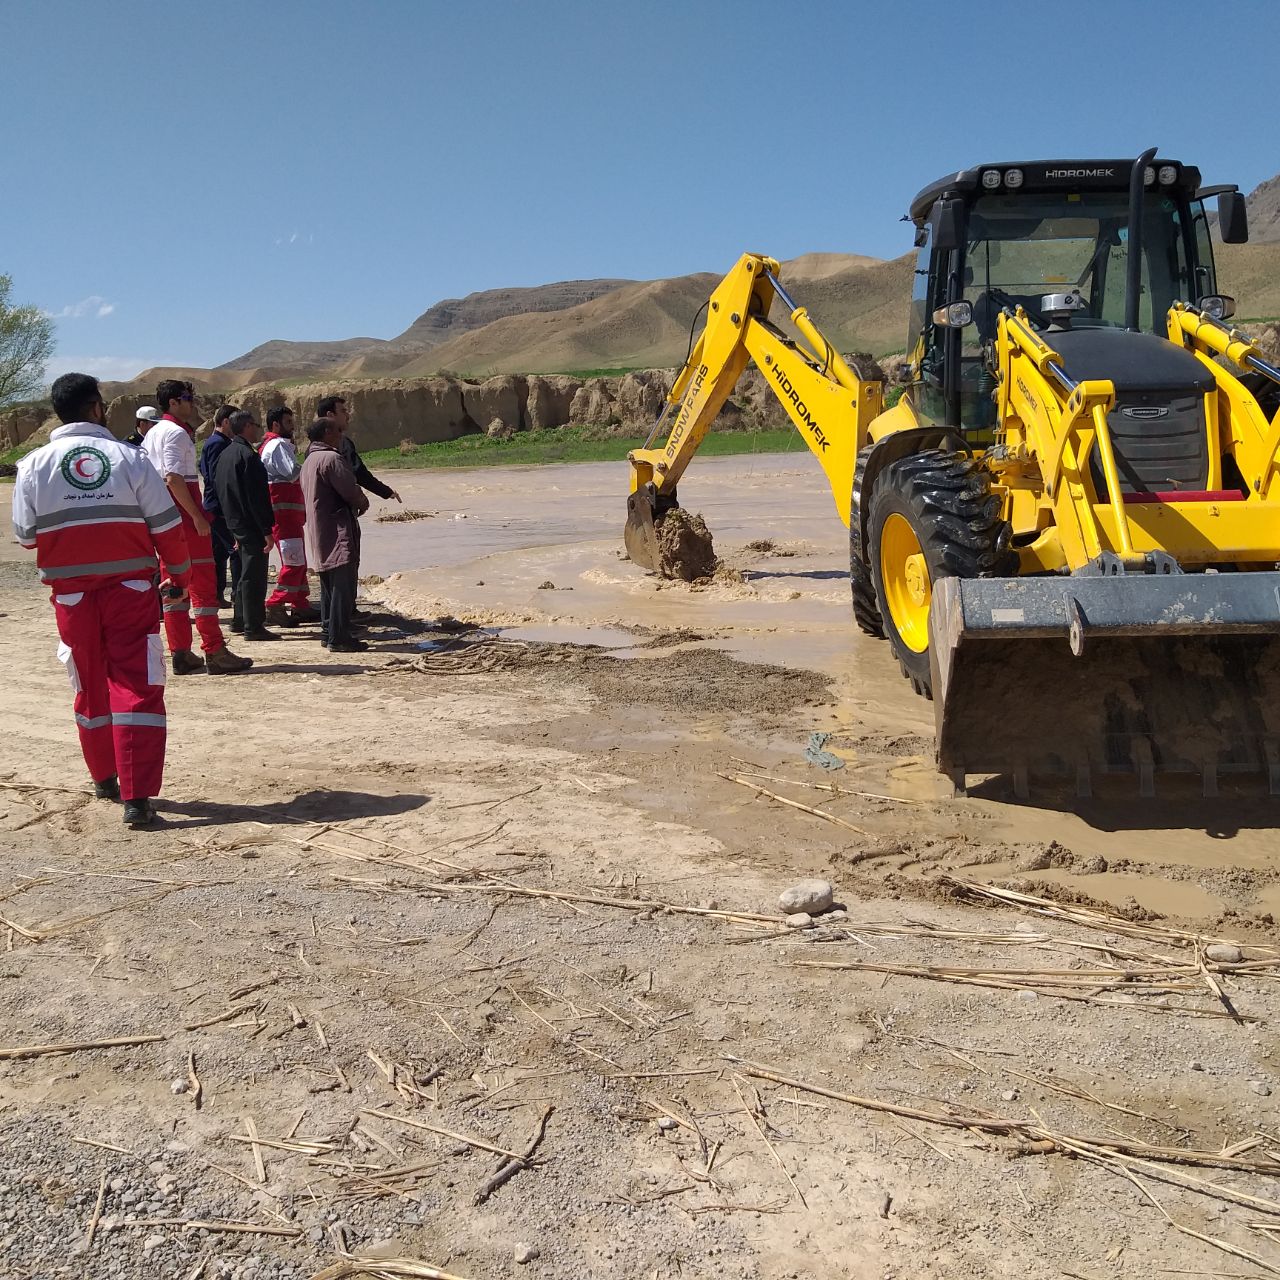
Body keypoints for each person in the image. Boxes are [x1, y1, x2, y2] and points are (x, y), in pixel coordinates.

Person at [11, 373, 193, 828]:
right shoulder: (130, 458)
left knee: (88, 684)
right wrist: (181, 575)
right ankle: (137, 799)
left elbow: (26, 538)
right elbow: (167, 527)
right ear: (96, 408)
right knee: (136, 685)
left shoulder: (32, 465)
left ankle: (104, 778)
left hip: (71, 598)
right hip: (130, 592)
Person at [140, 381, 251, 675]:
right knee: (202, 585)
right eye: (188, 398)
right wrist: (198, 517)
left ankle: (180, 652)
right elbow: (174, 478)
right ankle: (214, 650)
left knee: (173, 585)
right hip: (184, 518)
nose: (193, 403)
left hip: (163, 519)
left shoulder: (152, 434)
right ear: (174, 403)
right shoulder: (176, 433)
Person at [316, 394, 400, 617]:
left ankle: (336, 619)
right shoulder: (336, 446)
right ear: (330, 416)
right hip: (339, 514)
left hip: (322, 517)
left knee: (331, 566)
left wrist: (384, 491)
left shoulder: (315, 449)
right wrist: (365, 500)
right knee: (345, 563)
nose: (348, 415)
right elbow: (355, 476)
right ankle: (342, 620)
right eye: (343, 411)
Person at [300, 417, 369, 652]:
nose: (341, 435)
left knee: (328, 582)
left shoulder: (309, 460)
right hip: (337, 528)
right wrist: (362, 501)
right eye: (338, 430)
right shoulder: (331, 458)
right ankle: (339, 638)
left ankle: (329, 632)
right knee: (342, 583)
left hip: (319, 529)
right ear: (328, 432)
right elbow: (350, 490)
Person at [214, 411, 279, 641]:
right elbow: (256, 498)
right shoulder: (247, 456)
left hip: (233, 522)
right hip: (249, 524)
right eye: (255, 425)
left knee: (243, 573)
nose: (257, 429)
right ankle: (254, 626)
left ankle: (240, 619)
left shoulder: (226, 454)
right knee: (254, 575)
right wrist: (266, 530)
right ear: (246, 427)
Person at [259, 406, 316, 625]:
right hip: (284, 517)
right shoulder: (278, 445)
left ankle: (300, 604)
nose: (293, 427)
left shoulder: (271, 445)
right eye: (289, 423)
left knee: (298, 560)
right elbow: (293, 473)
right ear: (276, 425)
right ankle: (275, 604)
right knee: (293, 563)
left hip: (287, 517)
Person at [199, 403, 241, 608]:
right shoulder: (218, 444)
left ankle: (217, 594)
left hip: (214, 505)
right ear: (226, 422)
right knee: (234, 550)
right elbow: (217, 477)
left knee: (219, 553)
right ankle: (235, 594)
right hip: (219, 507)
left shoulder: (214, 442)